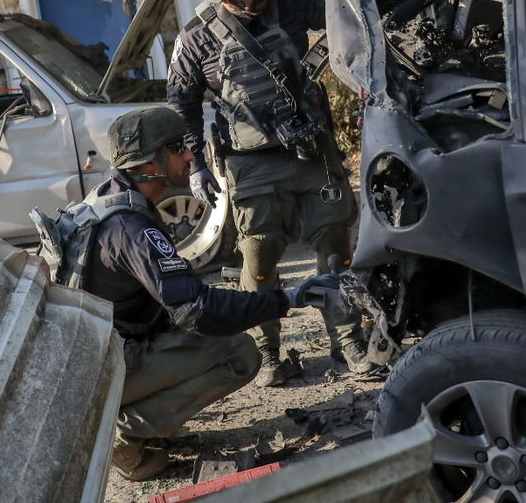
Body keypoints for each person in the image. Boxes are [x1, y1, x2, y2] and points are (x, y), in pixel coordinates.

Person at [75, 106, 342, 482]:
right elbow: (198, 310)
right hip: (111, 369)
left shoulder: (107, 199)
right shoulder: (131, 228)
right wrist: (289, 299)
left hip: (97, 362)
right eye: (177, 147)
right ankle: (123, 435)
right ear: (150, 160)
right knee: (239, 353)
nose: (189, 156)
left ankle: (136, 421)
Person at [166, 0, 372, 387]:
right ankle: (267, 351)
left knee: (334, 246)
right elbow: (181, 104)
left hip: (312, 151)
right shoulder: (196, 38)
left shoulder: (293, 0)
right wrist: (196, 164)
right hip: (251, 164)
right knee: (258, 259)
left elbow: (350, 7)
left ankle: (348, 341)